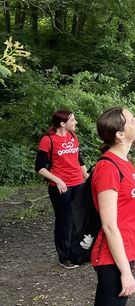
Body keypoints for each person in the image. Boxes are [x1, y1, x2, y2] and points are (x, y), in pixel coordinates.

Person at [90, 107, 135, 306]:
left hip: (124, 250)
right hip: (110, 258)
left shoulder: (124, 161)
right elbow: (109, 225)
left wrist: (134, 250)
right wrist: (125, 271)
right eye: (131, 119)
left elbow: (128, 213)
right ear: (120, 135)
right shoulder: (108, 168)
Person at [35, 109, 88, 269]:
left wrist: (88, 178)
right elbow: (39, 167)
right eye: (73, 120)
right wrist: (57, 180)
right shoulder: (48, 140)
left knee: (78, 219)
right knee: (64, 221)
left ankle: (76, 252)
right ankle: (64, 256)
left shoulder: (73, 136)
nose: (76, 122)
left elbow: (79, 160)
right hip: (60, 187)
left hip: (77, 184)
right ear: (63, 123)